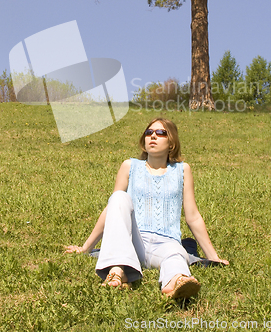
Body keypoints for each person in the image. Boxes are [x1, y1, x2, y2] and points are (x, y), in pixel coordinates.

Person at [65, 117, 229, 298]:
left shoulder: (182, 170)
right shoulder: (130, 166)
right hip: (134, 243)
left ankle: (176, 283)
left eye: (160, 133)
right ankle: (117, 272)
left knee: (176, 255)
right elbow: (113, 210)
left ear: (171, 142)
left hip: (167, 243)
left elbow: (193, 217)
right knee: (118, 197)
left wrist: (213, 257)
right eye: (149, 132)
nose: (153, 136)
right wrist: (86, 247)